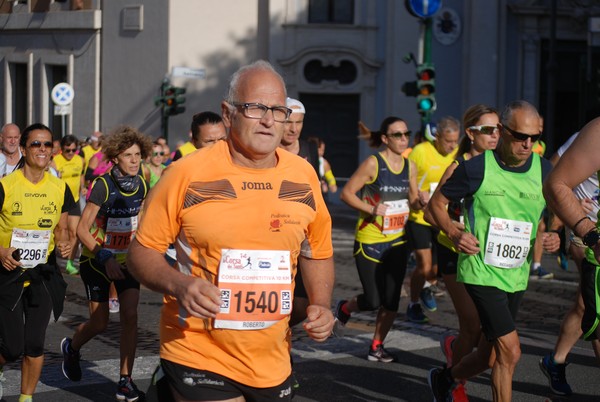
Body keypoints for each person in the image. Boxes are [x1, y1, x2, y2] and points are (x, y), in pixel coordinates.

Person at [127, 60, 335, 401]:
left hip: (272, 358)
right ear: (228, 113)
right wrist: (180, 284)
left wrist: (322, 304)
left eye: (278, 110)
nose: (269, 120)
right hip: (196, 348)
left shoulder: (303, 175)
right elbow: (141, 252)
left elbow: (317, 250)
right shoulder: (186, 173)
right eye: (256, 108)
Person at [426, 100, 560, 402]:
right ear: (502, 131)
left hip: (515, 273)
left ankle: (446, 379)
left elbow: (559, 203)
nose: (528, 144)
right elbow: (436, 205)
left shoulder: (545, 169)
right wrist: (452, 231)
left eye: (535, 138)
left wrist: (554, 231)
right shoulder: (475, 168)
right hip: (480, 270)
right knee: (511, 351)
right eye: (520, 136)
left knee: (490, 356)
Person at [61, 125, 153, 402]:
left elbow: (143, 223)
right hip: (96, 260)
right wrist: (104, 255)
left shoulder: (143, 182)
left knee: (130, 316)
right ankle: (73, 348)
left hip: (127, 262)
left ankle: (125, 380)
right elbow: (83, 230)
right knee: (100, 323)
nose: (135, 160)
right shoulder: (103, 185)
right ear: (115, 159)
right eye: (128, 155)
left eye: (138, 154)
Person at [424, 104, 500, 401]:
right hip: (453, 254)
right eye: (487, 130)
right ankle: (453, 384)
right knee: (472, 324)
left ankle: (456, 348)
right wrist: (453, 231)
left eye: (499, 130)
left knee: (486, 334)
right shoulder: (459, 166)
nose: (495, 136)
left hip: (485, 254)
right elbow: (432, 211)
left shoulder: (499, 166)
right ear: (470, 134)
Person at [0, 123, 74, 402]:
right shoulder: (5, 186)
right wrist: (1, 252)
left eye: (47, 144)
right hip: (8, 274)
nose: (42, 150)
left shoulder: (59, 187)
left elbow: (61, 229)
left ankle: (25, 398)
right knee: (13, 346)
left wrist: (66, 243)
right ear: (22, 149)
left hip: (43, 273)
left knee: (34, 343)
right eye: (35, 144)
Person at [335, 116, 418, 362]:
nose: (404, 139)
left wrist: (420, 201)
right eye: (397, 135)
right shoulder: (374, 164)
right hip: (370, 239)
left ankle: (376, 345)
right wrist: (372, 209)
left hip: (398, 241)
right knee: (373, 300)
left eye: (406, 134)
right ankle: (345, 308)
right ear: (384, 139)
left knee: (391, 301)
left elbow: (412, 201)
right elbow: (346, 194)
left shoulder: (409, 166)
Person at [540, 131, 600, 395]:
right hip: (588, 233)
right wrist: (569, 214)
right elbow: (552, 177)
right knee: (594, 307)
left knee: (585, 304)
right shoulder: (590, 136)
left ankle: (556, 360)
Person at [406, 116, 459, 323]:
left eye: (455, 141)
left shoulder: (456, 155)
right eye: (448, 141)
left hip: (443, 218)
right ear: (437, 137)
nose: (452, 146)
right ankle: (413, 304)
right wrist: (418, 193)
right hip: (420, 217)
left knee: (437, 269)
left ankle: (427, 285)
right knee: (425, 266)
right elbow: (408, 178)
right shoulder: (421, 152)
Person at [278, 97, 321, 328]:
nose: (293, 128)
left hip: (304, 231)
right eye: (288, 122)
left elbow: (316, 187)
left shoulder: (309, 148)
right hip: (275, 230)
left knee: (303, 303)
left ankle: (279, 330)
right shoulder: (268, 148)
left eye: (299, 122)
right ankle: (275, 341)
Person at [52, 135, 85, 275]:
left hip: (75, 200)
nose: (71, 153)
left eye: (73, 150)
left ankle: (70, 263)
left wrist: (82, 187)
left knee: (74, 233)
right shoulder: (55, 161)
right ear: (62, 149)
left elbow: (81, 176)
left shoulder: (80, 160)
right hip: (60, 201)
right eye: (67, 150)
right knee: (58, 231)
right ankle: (51, 259)